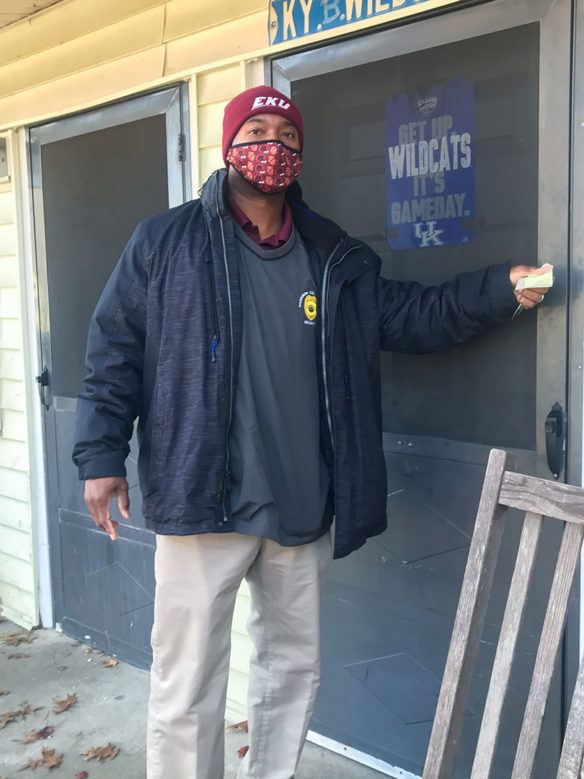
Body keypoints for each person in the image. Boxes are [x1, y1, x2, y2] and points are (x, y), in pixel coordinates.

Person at [72, 86, 548, 779]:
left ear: (300, 155)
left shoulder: (333, 254)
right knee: (187, 683)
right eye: (257, 130)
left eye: (287, 136)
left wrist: (497, 289)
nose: (273, 147)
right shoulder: (166, 242)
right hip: (203, 501)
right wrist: (101, 453)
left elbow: (410, 315)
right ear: (229, 144)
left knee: (290, 672)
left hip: (301, 507)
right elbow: (113, 349)